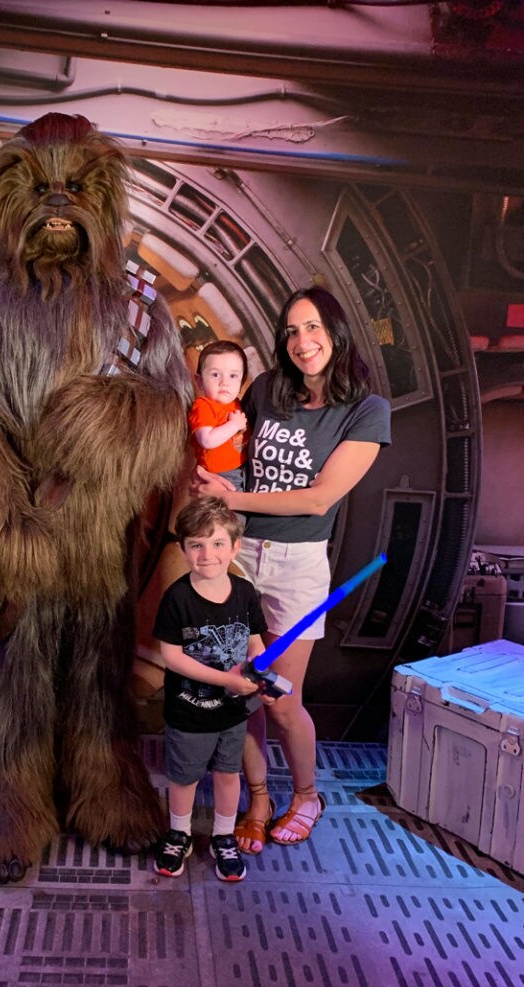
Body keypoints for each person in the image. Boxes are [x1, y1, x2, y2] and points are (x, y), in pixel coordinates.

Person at [193, 286, 391, 853]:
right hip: (240, 555)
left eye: (312, 328)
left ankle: (307, 794)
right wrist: (212, 485)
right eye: (291, 331)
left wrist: (233, 501)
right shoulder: (269, 389)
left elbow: (317, 499)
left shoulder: (365, 411)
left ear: (336, 330)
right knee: (239, 691)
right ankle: (258, 798)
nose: (302, 343)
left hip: (295, 565)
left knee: (280, 698)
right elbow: (234, 463)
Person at [152, 497, 273, 882]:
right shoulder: (177, 598)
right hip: (189, 710)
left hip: (233, 712)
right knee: (184, 777)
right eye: (197, 545)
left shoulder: (243, 592)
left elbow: (255, 642)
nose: (208, 554)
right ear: (183, 550)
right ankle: (179, 833)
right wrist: (227, 680)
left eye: (218, 543)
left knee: (226, 774)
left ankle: (223, 836)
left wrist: (261, 676)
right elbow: (171, 657)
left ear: (235, 547)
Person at [189, 340, 250, 491]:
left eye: (233, 376)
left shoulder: (236, 403)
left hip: (243, 469)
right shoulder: (203, 406)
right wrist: (234, 425)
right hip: (220, 475)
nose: (224, 382)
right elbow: (207, 440)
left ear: (242, 383)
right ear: (200, 381)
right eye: (215, 374)